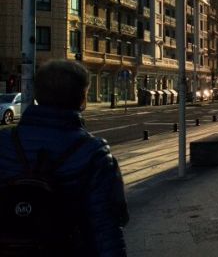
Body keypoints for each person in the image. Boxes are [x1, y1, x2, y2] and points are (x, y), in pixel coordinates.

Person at [0, 59, 129, 256]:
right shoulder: (94, 153)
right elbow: (106, 228)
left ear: (36, 94)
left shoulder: (5, 141)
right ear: (83, 100)